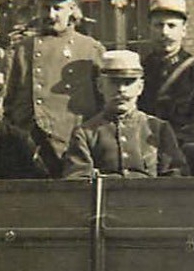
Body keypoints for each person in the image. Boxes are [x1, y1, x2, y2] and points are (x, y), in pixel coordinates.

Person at [5, 0, 105, 177]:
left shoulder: (90, 49)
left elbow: (104, 103)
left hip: (73, 148)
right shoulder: (22, 49)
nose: (51, 15)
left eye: (57, 8)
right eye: (45, 8)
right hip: (29, 147)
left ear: (71, 9)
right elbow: (7, 101)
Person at [60, 50, 185, 179]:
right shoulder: (85, 134)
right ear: (100, 86)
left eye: (128, 82)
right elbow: (78, 181)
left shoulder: (158, 129)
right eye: (114, 82)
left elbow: (174, 179)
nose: (121, 89)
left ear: (140, 87)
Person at [138, 0, 194, 173]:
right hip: (144, 155)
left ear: (184, 30)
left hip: (183, 157)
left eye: (171, 25)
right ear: (149, 29)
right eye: (158, 25)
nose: (164, 32)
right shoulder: (139, 70)